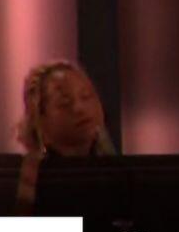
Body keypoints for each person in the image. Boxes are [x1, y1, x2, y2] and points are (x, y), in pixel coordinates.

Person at [13, 59, 117, 214]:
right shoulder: (26, 181)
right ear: (39, 119)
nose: (79, 108)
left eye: (86, 96)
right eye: (64, 103)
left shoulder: (116, 174)